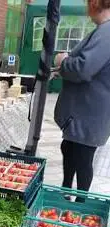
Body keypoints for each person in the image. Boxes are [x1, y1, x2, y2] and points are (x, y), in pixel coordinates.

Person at [54, 0, 110, 194]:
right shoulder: (103, 31)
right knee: (69, 149)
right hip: (86, 114)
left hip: (89, 116)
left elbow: (83, 69)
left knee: (82, 159)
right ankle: (66, 193)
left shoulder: (107, 32)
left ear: (95, 4)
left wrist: (63, 61)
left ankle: (79, 206)